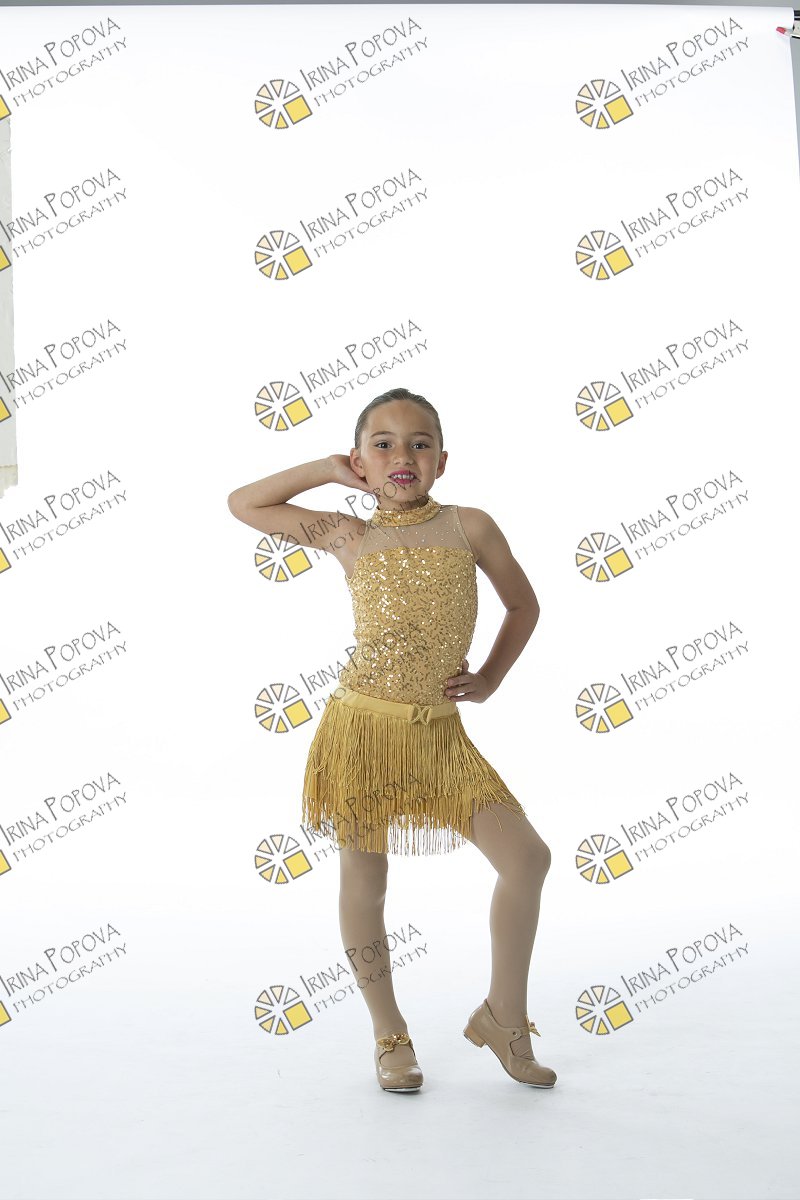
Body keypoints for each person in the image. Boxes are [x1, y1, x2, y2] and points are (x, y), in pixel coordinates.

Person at [228, 386, 555, 1093]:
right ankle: (389, 1034)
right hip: (360, 733)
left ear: (442, 460)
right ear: (360, 462)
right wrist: (326, 469)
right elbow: (244, 503)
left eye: (419, 443)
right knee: (366, 881)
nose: (401, 455)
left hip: (439, 737)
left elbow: (524, 605)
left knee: (527, 859)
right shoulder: (347, 534)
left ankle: (504, 1017)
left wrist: (490, 678)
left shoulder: (471, 526)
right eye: (382, 445)